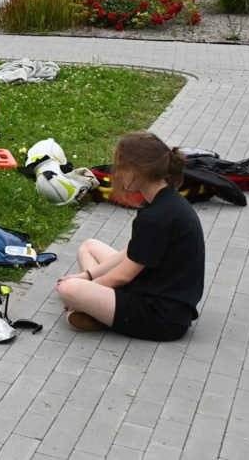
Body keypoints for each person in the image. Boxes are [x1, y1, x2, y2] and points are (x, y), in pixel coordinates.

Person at [55, 131, 204, 341]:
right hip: (154, 288)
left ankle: (93, 312)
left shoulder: (156, 216)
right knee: (89, 246)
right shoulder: (164, 200)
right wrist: (87, 276)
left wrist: (83, 290)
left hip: (161, 316)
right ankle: (96, 310)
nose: (118, 173)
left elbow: (122, 276)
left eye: (121, 167)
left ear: (138, 170)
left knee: (67, 288)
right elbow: (132, 253)